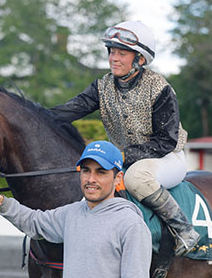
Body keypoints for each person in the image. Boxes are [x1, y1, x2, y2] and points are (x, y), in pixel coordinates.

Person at [50, 20, 200, 256]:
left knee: (136, 178)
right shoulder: (102, 86)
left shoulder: (159, 87)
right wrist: (33, 115)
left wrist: (122, 156)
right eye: (112, 52)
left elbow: (166, 141)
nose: (114, 58)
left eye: (122, 53)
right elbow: (67, 112)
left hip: (167, 159)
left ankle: (184, 230)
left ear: (139, 59)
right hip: (123, 161)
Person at [0, 140, 152, 278]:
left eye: (101, 172)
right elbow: (34, 222)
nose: (91, 179)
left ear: (117, 177)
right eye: (86, 171)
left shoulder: (132, 226)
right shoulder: (71, 214)